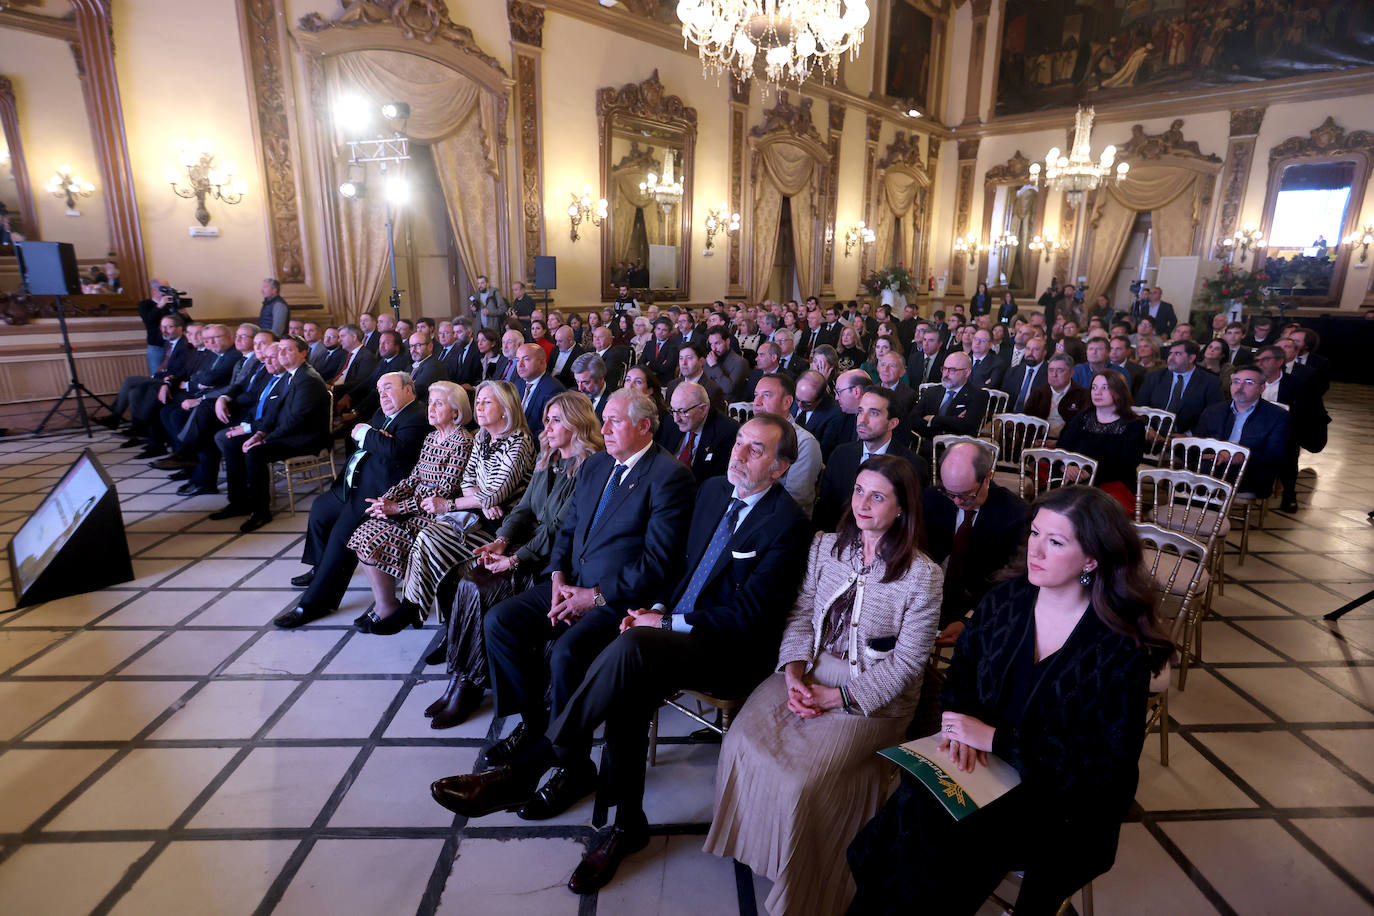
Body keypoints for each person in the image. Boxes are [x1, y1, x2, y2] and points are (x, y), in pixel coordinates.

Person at [434, 416, 810, 896]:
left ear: (779, 468)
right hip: (670, 632)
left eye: (755, 450)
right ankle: (627, 824)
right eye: (739, 443)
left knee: (630, 647)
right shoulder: (716, 490)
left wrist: (664, 624)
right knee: (630, 678)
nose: (738, 454)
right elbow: (683, 570)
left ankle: (532, 765)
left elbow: (749, 617)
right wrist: (652, 610)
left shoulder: (788, 524)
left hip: (730, 651)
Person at [849, 486, 1172, 915]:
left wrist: (995, 740)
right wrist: (956, 724)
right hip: (978, 765)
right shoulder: (1005, 601)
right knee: (911, 816)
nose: (1035, 550)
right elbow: (960, 675)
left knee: (944, 843)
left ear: (1092, 558)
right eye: (1035, 534)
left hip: (1056, 799)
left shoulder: (1119, 647)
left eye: (1055, 542)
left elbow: (1103, 768)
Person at [705, 455, 942, 916]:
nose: (863, 504)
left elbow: (909, 662)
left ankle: (807, 875)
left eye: (878, 496)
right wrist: (793, 671)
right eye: (858, 491)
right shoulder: (825, 546)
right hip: (810, 670)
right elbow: (799, 615)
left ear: (902, 509)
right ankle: (758, 846)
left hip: (871, 696)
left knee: (802, 780)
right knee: (740, 741)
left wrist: (839, 698)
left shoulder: (922, 575)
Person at [465, 389, 695, 789]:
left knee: (568, 654)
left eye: (616, 421)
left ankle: (574, 767)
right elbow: (568, 532)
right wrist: (557, 577)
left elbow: (658, 564)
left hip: (618, 600)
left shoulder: (668, 476)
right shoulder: (595, 466)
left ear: (644, 426)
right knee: (501, 622)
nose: (604, 429)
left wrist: (596, 596)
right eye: (603, 419)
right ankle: (538, 729)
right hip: (570, 586)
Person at [426, 392, 604, 728]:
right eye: (546, 419)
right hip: (528, 545)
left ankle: (473, 684)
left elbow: (558, 529)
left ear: (577, 423)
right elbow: (523, 509)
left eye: (555, 420)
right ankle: (462, 678)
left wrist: (514, 560)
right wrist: (501, 540)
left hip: (553, 559)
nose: (546, 427)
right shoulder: (548, 457)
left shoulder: (589, 466)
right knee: (468, 577)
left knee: (481, 590)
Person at [370, 380, 537, 633]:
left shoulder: (519, 442)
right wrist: (484, 499)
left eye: (487, 402)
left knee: (434, 542)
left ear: (505, 408)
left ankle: (415, 609)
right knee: (429, 537)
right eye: (477, 401)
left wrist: (452, 504)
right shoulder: (482, 437)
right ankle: (424, 614)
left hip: (506, 526)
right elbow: (469, 482)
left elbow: (495, 494)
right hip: (480, 515)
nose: (479, 407)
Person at [275, 371, 429, 628]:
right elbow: (366, 436)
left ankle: (313, 603)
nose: (383, 395)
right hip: (354, 483)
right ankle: (319, 568)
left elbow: (394, 451)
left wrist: (370, 435)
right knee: (321, 509)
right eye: (379, 390)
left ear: (408, 390)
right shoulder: (387, 412)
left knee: (340, 537)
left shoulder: (416, 416)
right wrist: (373, 436)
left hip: (379, 493)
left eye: (389, 388)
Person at [344, 382, 476, 634]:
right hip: (412, 509)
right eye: (430, 402)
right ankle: (386, 603)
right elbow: (413, 479)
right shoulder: (431, 437)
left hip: (437, 517)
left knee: (374, 537)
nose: (431, 408)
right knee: (363, 530)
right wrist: (386, 500)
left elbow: (444, 492)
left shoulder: (462, 442)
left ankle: (390, 606)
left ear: (456, 411)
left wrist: (398, 508)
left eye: (439, 403)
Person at [209, 337, 331, 533]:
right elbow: (273, 413)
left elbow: (296, 420)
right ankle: (239, 502)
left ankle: (260, 511)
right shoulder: (288, 376)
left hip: (306, 437)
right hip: (288, 433)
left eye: (287, 350)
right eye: (280, 350)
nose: (282, 354)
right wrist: (259, 433)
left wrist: (265, 439)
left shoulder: (308, 378)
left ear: (303, 353)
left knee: (255, 453)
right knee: (233, 443)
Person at [923, 441, 1028, 644]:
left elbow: (1009, 584)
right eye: (950, 493)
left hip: (980, 605)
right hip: (929, 594)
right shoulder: (933, 498)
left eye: (966, 494)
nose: (957, 502)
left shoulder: (1015, 516)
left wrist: (969, 620)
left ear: (988, 477)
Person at [816, 387, 925, 531]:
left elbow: (910, 522)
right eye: (860, 411)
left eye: (873, 413)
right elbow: (825, 510)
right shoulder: (840, 455)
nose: (863, 420)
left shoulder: (912, 465)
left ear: (892, 423)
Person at [1194, 364, 1291, 499]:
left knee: (1200, 481)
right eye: (1236, 382)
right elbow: (1199, 441)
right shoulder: (1214, 410)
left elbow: (1274, 455)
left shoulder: (1277, 416)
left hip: (1250, 472)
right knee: (1193, 474)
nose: (1240, 387)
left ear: (1261, 388)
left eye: (1249, 383)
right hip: (1214, 464)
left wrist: (1240, 457)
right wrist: (1215, 453)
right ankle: (1196, 514)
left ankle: (1201, 515)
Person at [1057, 370, 1147, 512]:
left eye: (1105, 388)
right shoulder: (1081, 419)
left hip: (1112, 484)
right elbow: (1061, 449)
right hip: (1075, 480)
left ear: (1119, 392)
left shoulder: (1134, 425)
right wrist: (1066, 467)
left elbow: (1127, 465)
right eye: (1094, 387)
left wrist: (1089, 472)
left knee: (1088, 508)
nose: (1097, 392)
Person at [1135, 339, 1222, 435]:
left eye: (1177, 354)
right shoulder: (1154, 377)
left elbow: (1212, 416)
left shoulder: (1210, 382)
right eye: (1170, 353)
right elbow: (1140, 406)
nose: (1171, 358)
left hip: (1187, 440)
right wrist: (1148, 428)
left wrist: (1187, 436)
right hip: (1152, 434)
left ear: (1191, 358)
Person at [659, 381, 738, 484]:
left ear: (703, 409)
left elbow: (716, 482)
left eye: (682, 412)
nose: (676, 419)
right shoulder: (670, 422)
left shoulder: (728, 433)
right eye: (673, 410)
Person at [1024, 353, 1087, 438]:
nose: (1054, 375)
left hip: (1066, 445)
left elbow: (1081, 428)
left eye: (1060, 370)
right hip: (1038, 441)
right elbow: (1026, 421)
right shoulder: (1038, 393)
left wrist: (1059, 443)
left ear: (1071, 373)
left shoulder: (1082, 395)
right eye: (1051, 370)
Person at [514, 343, 565, 439]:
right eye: (517, 360)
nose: (520, 365)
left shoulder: (553, 390)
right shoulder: (518, 384)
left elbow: (546, 429)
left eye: (526, 359)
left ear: (542, 362)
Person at [1000, 334, 1048, 413]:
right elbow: (1003, 399)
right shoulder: (1013, 371)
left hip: (1034, 419)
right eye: (1028, 349)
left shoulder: (1049, 374)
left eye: (1035, 349)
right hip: (1010, 417)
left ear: (1044, 353)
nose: (1030, 353)